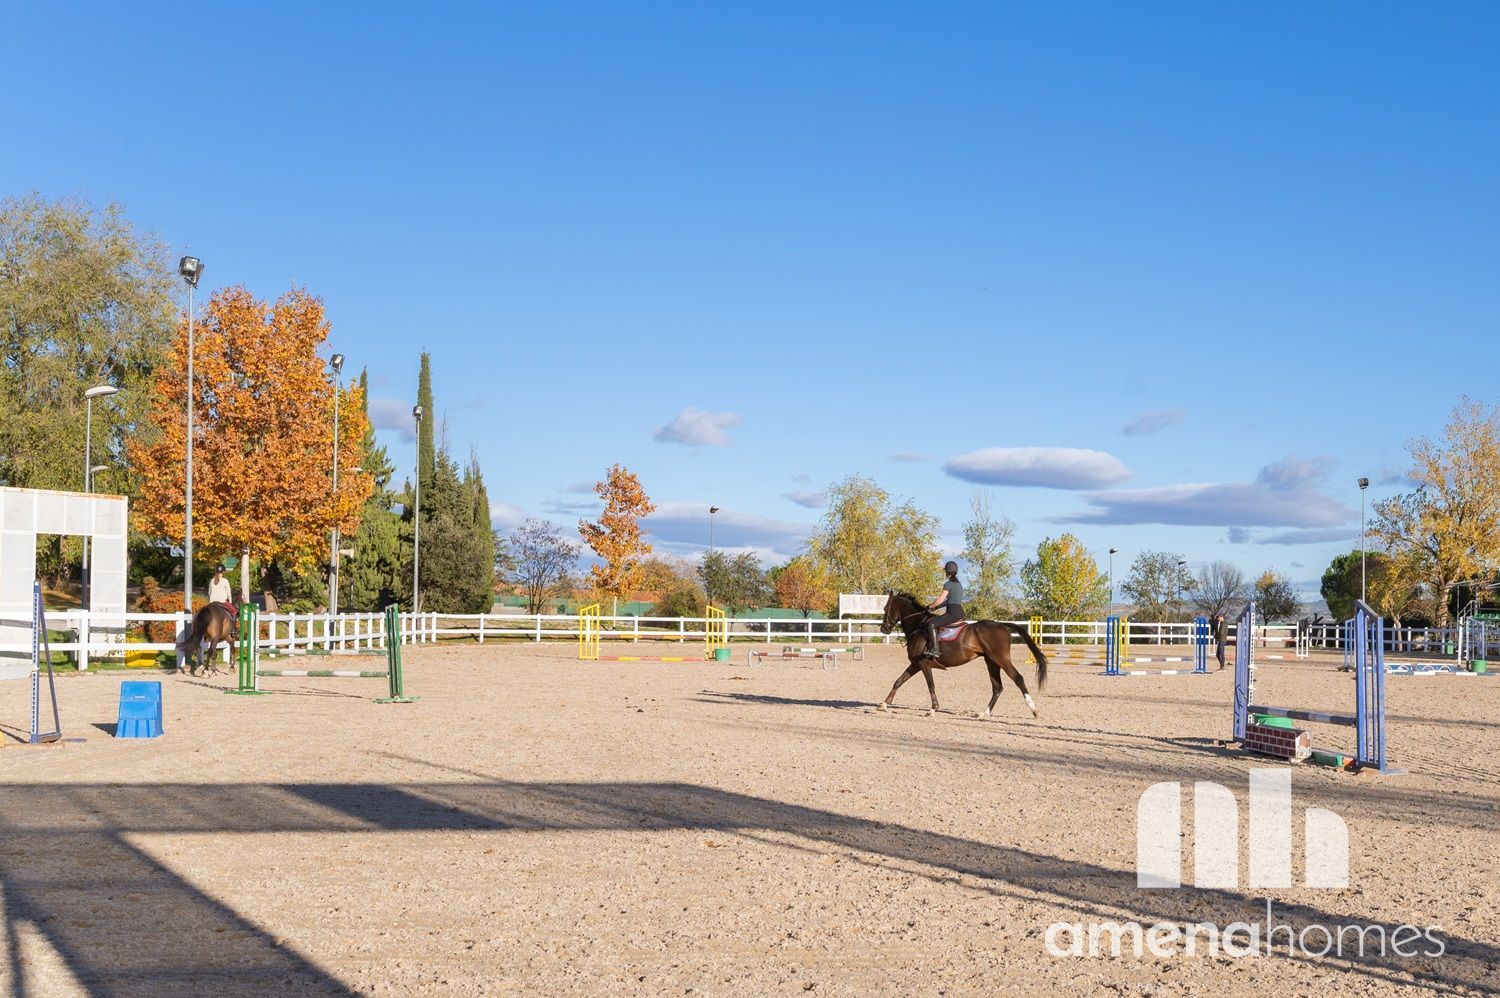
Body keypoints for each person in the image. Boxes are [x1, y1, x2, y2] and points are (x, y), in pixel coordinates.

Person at [922, 561, 967, 659]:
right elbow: (949, 601)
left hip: (952, 613)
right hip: (960, 612)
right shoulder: (959, 585)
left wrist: (929, 607)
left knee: (931, 624)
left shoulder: (948, 584)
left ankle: (935, 650)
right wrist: (935, 607)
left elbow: (940, 600)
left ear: (947, 572)